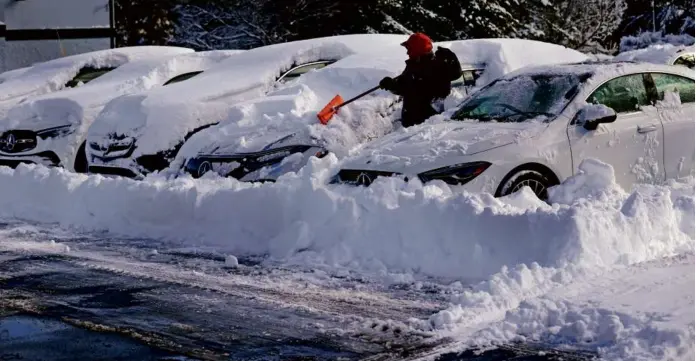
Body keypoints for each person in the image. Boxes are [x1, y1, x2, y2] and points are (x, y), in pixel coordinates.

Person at [379, 33, 460, 128]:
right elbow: (404, 87)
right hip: (411, 126)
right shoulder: (413, 66)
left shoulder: (436, 68)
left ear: (418, 50)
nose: (407, 53)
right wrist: (391, 85)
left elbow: (420, 91)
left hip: (428, 129)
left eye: (410, 49)